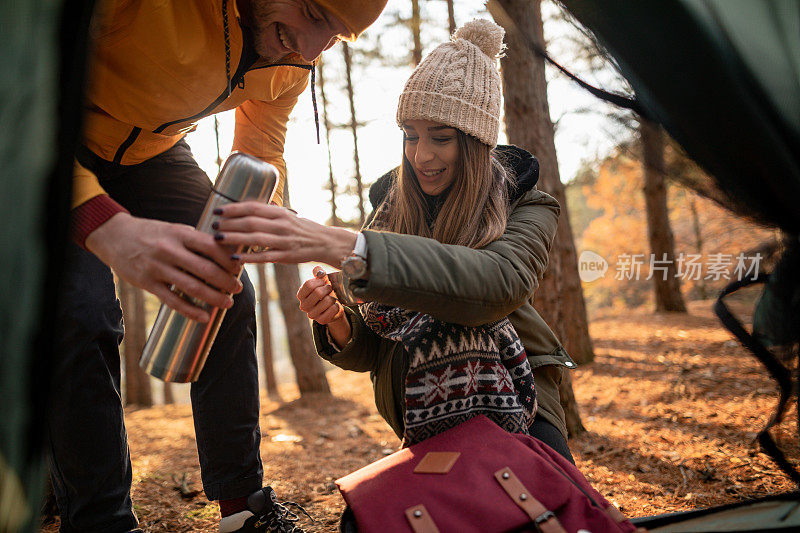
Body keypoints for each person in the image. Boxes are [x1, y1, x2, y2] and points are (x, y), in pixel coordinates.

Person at [54, 1, 387, 532]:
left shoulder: (293, 56)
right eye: (312, 13)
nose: (311, 50)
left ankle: (242, 510)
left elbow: (260, 152)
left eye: (336, 36)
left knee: (229, 295)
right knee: (80, 311)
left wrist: (255, 216)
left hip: (151, 154)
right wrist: (107, 226)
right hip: (48, 135)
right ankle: (100, 520)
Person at [214, 19, 576, 460]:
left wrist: (347, 246)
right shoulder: (390, 210)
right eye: (411, 136)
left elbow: (495, 284)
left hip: (524, 409)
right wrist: (338, 322)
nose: (421, 155)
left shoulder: (528, 205)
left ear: (477, 141)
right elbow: (376, 347)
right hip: (421, 422)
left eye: (441, 138)